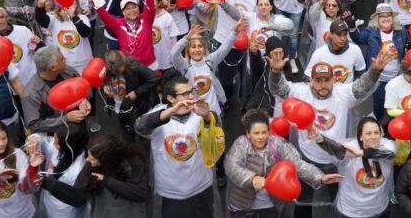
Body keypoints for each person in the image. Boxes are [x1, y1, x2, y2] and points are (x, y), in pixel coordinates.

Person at [265, 46, 395, 218]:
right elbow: (279, 90)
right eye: (318, 81)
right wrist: (275, 71)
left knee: (339, 195)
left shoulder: (342, 93)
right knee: (303, 202)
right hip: (308, 158)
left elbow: (361, 87)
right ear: (311, 80)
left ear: (334, 80)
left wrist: (375, 70)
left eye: (327, 80)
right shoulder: (301, 92)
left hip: (337, 159)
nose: (323, 85)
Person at [224, 109, 342, 218]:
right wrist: (252, 179)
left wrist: (320, 177)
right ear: (248, 134)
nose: (261, 137)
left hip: (270, 206)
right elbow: (232, 166)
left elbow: (297, 164)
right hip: (242, 206)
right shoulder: (241, 144)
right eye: (256, 133)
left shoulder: (276, 144)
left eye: (264, 132)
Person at [134, 76, 217, 218]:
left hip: (201, 186)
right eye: (185, 94)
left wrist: (208, 117)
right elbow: (139, 127)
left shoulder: (200, 111)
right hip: (171, 191)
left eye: (192, 91)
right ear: (171, 98)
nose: (191, 96)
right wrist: (171, 112)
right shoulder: (160, 114)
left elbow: (216, 138)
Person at [41, 134, 149, 217]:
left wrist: (107, 181)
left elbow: (140, 194)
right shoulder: (91, 166)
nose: (87, 159)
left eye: (92, 158)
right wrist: (46, 182)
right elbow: (78, 197)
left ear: (106, 159)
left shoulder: (134, 164)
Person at [22, 46, 91, 136]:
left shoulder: (68, 71)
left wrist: (84, 100)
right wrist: (66, 119)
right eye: (62, 59)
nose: (65, 59)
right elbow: (34, 125)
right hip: (58, 138)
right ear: (53, 68)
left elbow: (84, 87)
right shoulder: (31, 94)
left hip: (80, 128)